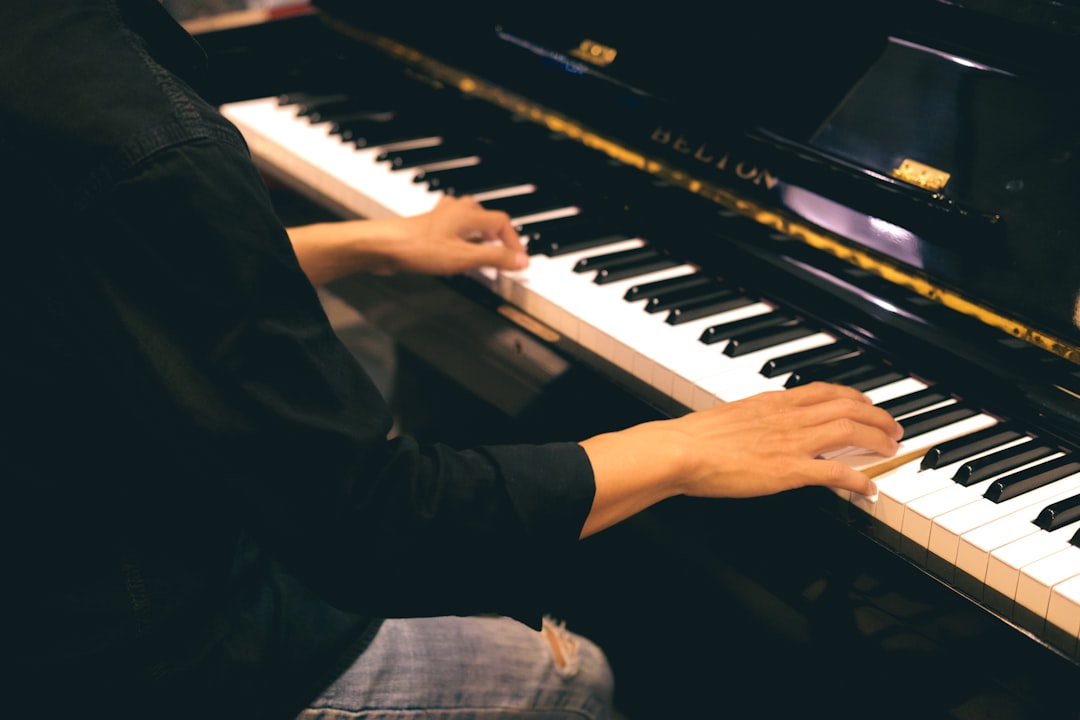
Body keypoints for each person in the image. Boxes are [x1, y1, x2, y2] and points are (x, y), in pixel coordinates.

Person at [2, 1, 903, 719]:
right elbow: (372, 528)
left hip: (57, 552)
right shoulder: (138, 136)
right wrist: (681, 449)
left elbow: (118, 269)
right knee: (568, 676)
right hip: (131, 645)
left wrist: (367, 241)